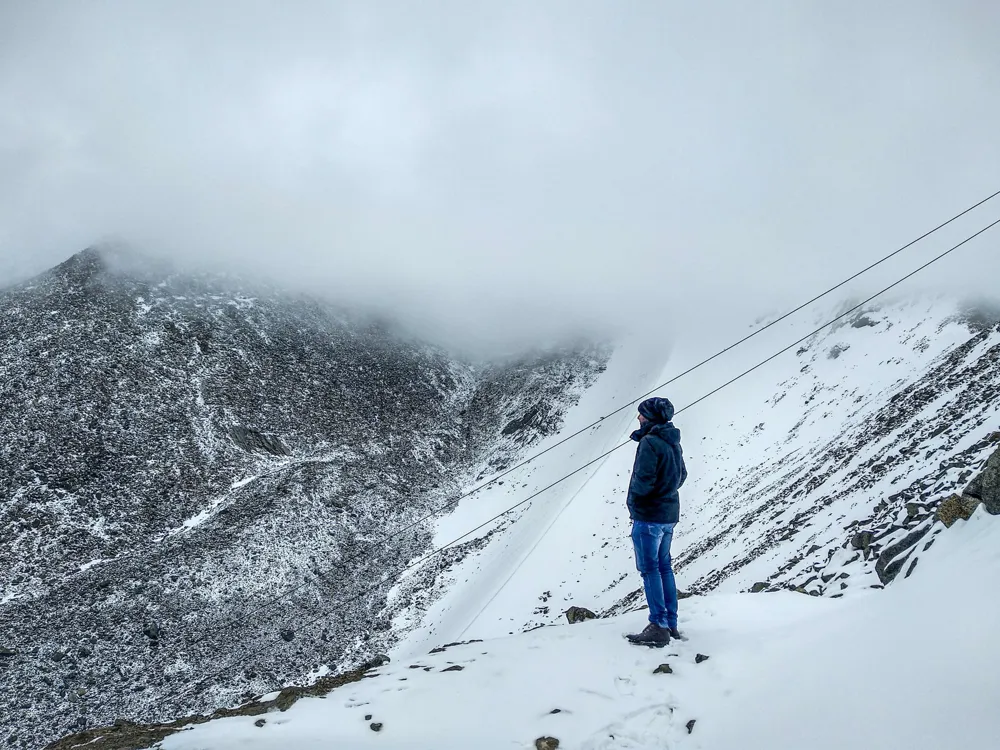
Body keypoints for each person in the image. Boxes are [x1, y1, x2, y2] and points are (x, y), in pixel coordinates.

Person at [625, 396, 687, 647]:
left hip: (649, 516)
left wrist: (637, 501)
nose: (638, 418)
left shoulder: (650, 442)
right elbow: (682, 475)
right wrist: (666, 493)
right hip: (668, 514)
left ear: (650, 417)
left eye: (641, 414)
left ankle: (658, 625)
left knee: (649, 570)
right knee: (664, 568)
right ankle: (670, 622)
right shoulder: (672, 441)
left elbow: (643, 480)